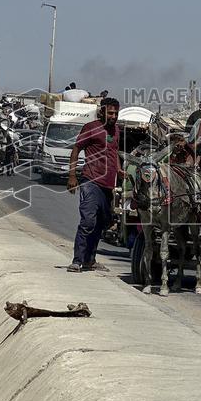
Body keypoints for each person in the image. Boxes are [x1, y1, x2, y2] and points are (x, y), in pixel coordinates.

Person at [67, 97, 121, 273]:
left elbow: (114, 153)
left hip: (108, 185)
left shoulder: (117, 130)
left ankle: (90, 260)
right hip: (90, 181)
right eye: (110, 112)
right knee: (88, 221)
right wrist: (72, 175)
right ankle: (77, 261)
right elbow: (76, 149)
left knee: (102, 223)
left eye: (116, 112)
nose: (113, 116)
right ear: (102, 112)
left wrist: (119, 170)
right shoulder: (91, 127)